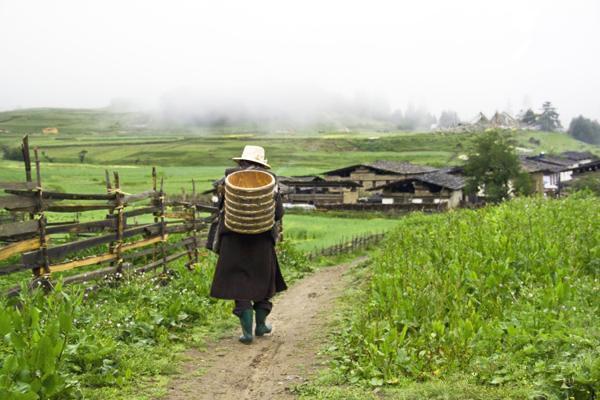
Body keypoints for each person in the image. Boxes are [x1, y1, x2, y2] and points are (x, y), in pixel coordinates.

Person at [209, 145, 287, 344]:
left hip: (233, 241)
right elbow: (278, 214)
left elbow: (219, 209)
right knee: (262, 281)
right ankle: (261, 325)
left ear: (242, 162)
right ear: (261, 164)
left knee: (238, 283)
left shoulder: (226, 182)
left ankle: (247, 333)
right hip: (261, 241)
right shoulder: (270, 184)